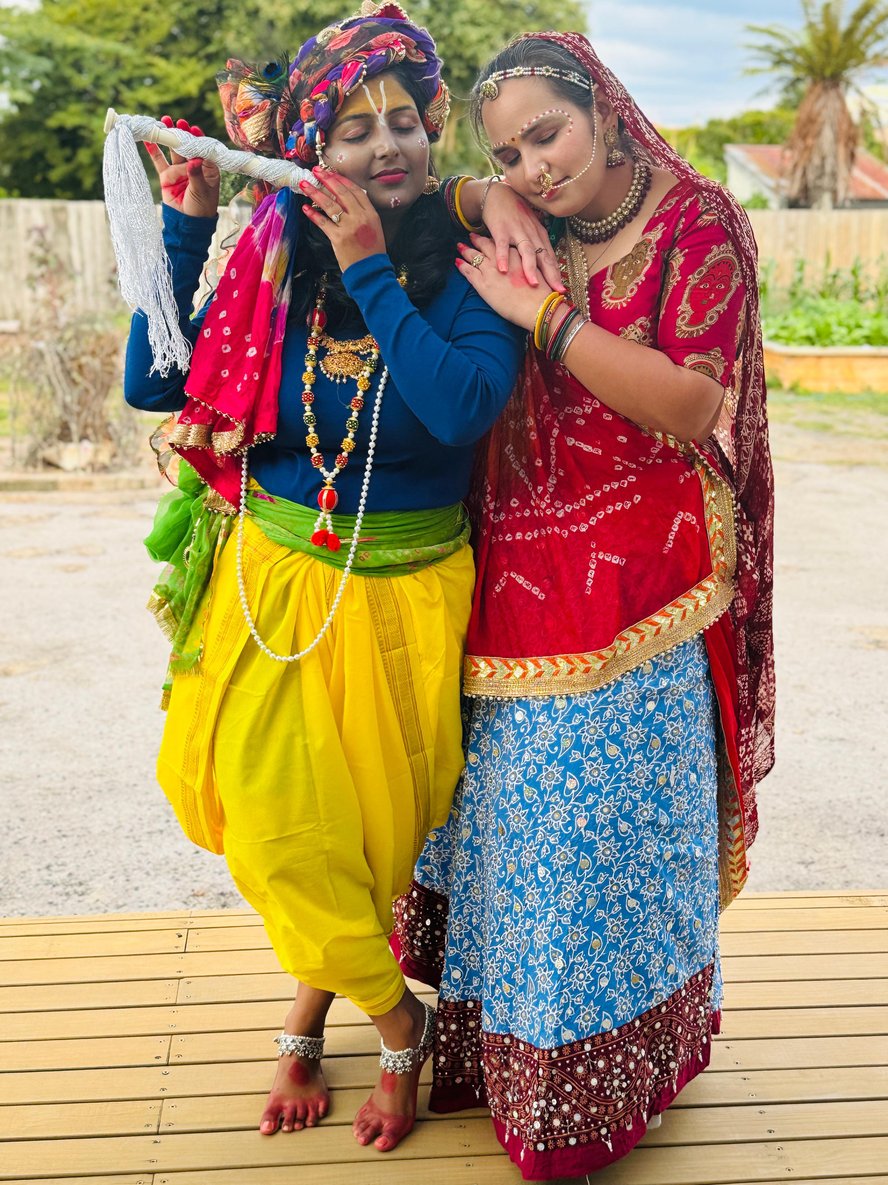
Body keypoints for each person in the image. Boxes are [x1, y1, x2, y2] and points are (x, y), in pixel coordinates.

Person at [122, 3, 524, 1155]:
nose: (386, 145)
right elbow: (163, 386)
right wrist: (189, 226)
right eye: (353, 130)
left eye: (404, 120)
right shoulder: (272, 263)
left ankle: (308, 1007)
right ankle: (400, 1025)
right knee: (272, 826)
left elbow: (462, 406)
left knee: (369, 836)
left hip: (406, 595)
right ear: (312, 151)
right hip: (270, 583)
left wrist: (374, 272)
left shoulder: (474, 268)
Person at [393, 30, 775, 1180]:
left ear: (606, 109)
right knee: (502, 826)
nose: (534, 170)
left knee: (601, 840)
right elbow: (396, 206)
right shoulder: (518, 213)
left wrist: (542, 319)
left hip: (644, 575)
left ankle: (599, 1088)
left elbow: (694, 403)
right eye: (506, 153)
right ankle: (496, 1053)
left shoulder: (698, 223)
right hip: (516, 552)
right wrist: (471, 193)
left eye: (547, 136)